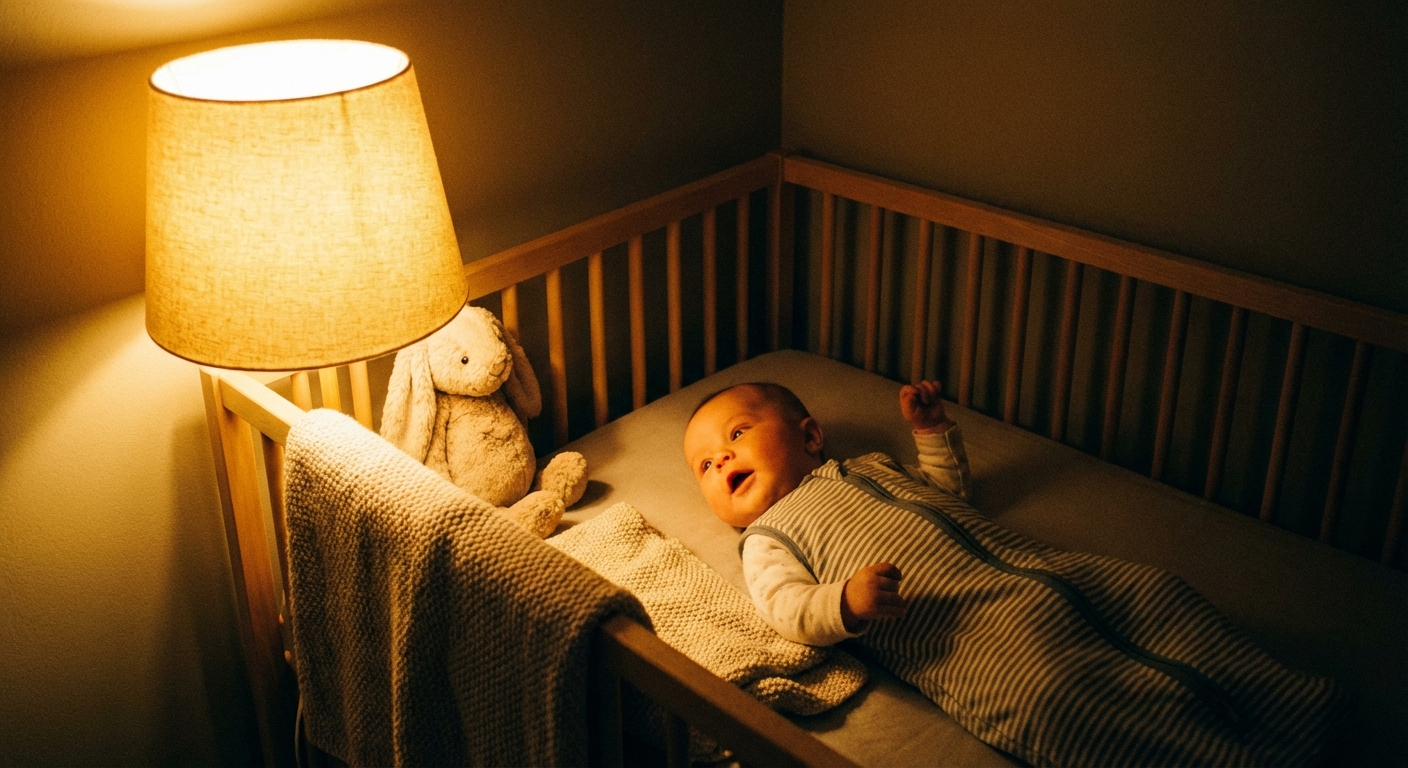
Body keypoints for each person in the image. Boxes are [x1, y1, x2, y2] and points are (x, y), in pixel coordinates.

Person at [681, 380, 1339, 767]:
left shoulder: (873, 466)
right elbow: (786, 608)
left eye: (736, 435)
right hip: (974, 642)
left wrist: (932, 434)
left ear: (811, 436)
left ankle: (1286, 704)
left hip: (1046, 575)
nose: (721, 461)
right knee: (1060, 700)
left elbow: (948, 492)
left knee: (1159, 595)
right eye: (705, 466)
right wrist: (843, 604)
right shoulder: (768, 538)